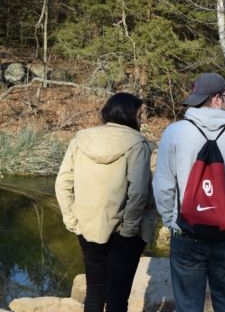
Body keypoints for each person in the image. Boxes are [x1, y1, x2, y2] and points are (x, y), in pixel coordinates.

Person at [152, 72, 225, 312]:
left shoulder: (175, 132)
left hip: (187, 233)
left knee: (188, 305)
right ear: (218, 100)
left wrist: (172, 221)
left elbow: (163, 185)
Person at [55, 92, 156, 312]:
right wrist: (130, 230)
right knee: (117, 299)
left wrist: (72, 220)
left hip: (88, 228)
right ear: (128, 115)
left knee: (94, 294)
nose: (142, 120)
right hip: (125, 233)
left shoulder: (80, 139)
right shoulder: (137, 144)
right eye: (139, 115)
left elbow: (62, 183)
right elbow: (138, 192)